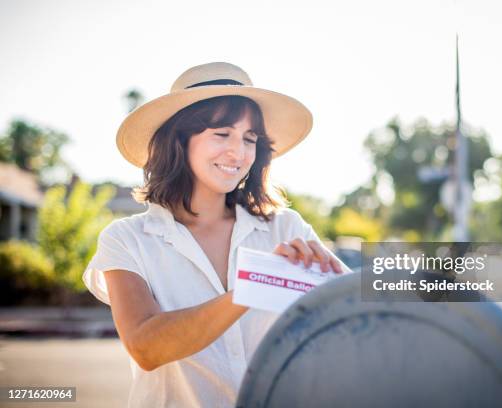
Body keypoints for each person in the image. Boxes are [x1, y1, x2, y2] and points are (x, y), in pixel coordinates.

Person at [82, 62, 350, 407]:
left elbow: (346, 320)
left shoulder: (287, 227)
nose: (238, 153)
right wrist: (257, 283)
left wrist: (335, 287)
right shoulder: (126, 239)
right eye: (221, 134)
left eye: (249, 139)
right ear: (179, 140)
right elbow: (145, 347)